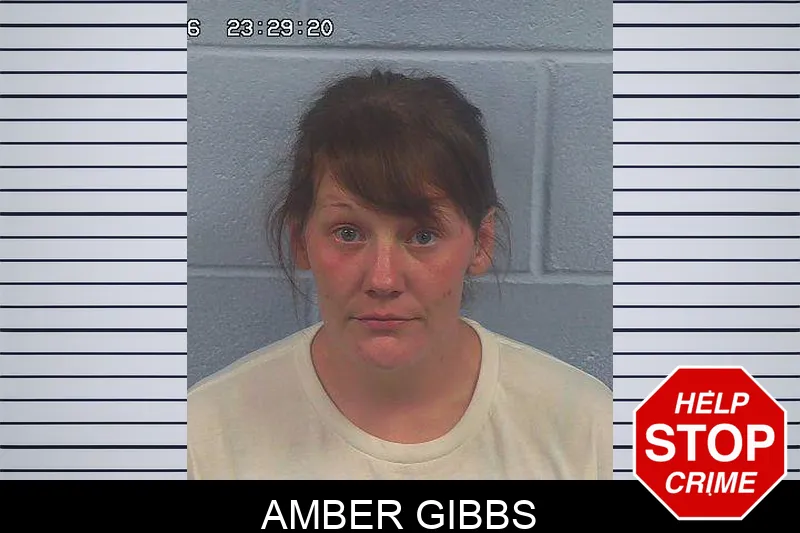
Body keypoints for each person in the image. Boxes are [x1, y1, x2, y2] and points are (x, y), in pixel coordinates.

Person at [187, 68, 612, 480]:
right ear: (302, 240)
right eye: (348, 233)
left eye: (423, 236)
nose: (383, 280)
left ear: (481, 242)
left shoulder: (589, 432)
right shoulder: (205, 440)